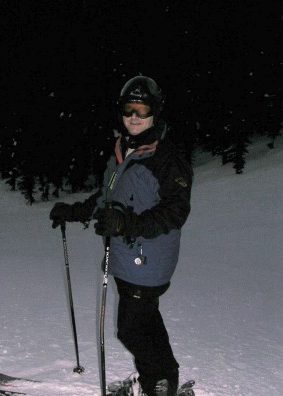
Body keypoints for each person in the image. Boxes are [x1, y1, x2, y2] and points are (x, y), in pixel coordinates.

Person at [49, 76, 193, 396]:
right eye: (129, 109)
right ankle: (160, 379)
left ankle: (158, 382)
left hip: (148, 259)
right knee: (144, 321)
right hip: (126, 257)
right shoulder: (122, 151)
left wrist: (128, 224)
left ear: (155, 112)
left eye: (142, 109)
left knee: (131, 328)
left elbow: (176, 210)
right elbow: (107, 199)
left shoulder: (166, 159)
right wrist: (73, 211)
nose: (134, 117)